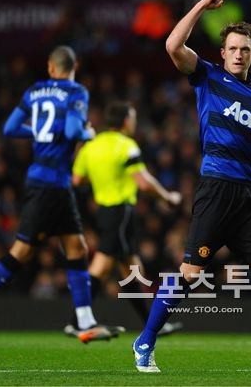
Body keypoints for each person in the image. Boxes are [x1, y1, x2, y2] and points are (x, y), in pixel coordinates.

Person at [132, 0, 251, 373]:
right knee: (189, 275)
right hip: (216, 188)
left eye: (244, 49)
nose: (237, 54)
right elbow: (172, 45)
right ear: (222, 53)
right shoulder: (206, 75)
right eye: (232, 48)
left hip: (250, 193)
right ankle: (145, 342)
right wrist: (201, 8)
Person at [0, 46, 112, 345]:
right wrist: (88, 134)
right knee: (21, 252)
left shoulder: (35, 90)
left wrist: (40, 131)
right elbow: (77, 129)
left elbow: (11, 128)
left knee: (76, 247)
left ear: (51, 68)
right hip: (50, 184)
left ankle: (85, 320)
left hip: (47, 180)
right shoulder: (77, 92)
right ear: (73, 65)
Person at [65, 101, 183, 338]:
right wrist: (167, 197)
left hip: (105, 212)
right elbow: (142, 181)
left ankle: (153, 325)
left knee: (131, 270)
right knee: (102, 266)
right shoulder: (126, 145)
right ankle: (76, 321)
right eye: (133, 118)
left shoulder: (91, 146)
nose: (135, 122)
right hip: (119, 212)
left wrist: (102, 179)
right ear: (126, 121)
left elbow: (77, 181)